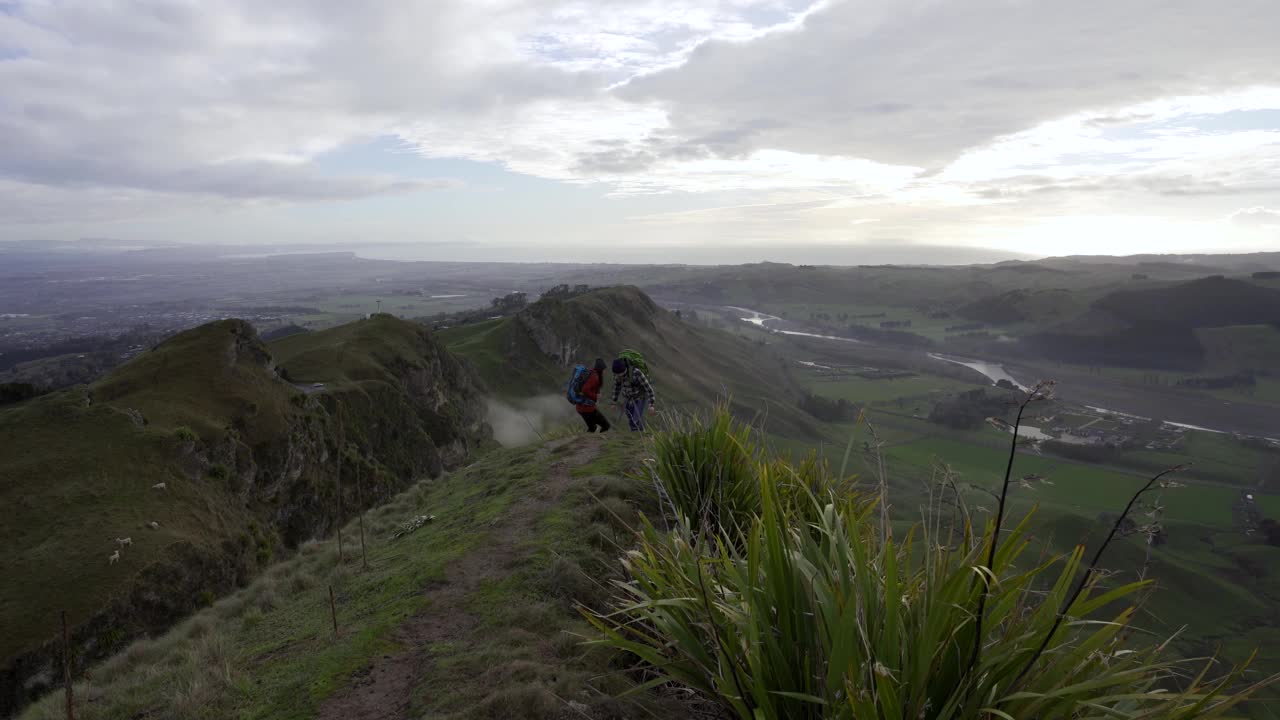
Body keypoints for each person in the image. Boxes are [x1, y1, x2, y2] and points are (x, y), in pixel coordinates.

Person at [612, 356, 656, 431]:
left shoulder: (636, 373)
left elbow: (648, 388)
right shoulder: (617, 376)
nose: (619, 376)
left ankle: (640, 437)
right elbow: (617, 388)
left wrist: (651, 405)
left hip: (640, 398)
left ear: (624, 369)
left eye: (621, 374)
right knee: (631, 419)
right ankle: (638, 436)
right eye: (617, 374)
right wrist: (614, 402)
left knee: (635, 420)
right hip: (628, 399)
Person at [576, 358, 611, 433]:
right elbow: (585, 390)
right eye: (604, 369)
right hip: (587, 409)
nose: (605, 371)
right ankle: (600, 443)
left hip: (581, 408)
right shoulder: (594, 377)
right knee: (606, 426)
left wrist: (596, 393)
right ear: (600, 369)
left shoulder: (591, 373)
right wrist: (595, 396)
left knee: (592, 428)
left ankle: (584, 443)